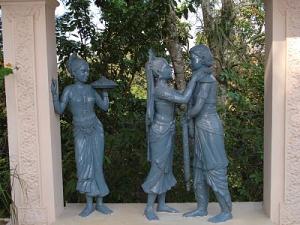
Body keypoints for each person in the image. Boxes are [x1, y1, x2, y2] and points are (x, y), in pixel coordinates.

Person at [51, 54, 113, 217]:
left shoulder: (92, 89)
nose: (86, 73)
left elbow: (105, 107)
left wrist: (105, 92)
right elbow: (59, 109)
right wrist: (53, 95)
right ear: (74, 73)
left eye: (87, 70)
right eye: (83, 71)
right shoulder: (69, 90)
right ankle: (89, 204)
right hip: (80, 130)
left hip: (95, 129)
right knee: (84, 166)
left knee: (97, 165)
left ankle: (100, 203)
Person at [142, 50, 200, 220]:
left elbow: (180, 99)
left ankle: (161, 204)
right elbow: (183, 99)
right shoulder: (160, 89)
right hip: (160, 131)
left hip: (168, 130)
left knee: (166, 166)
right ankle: (148, 207)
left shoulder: (166, 87)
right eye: (167, 67)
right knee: (158, 167)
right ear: (159, 73)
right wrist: (194, 79)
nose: (170, 69)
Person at [183, 44, 232, 223]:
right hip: (200, 126)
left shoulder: (207, 79)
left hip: (209, 127)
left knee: (214, 167)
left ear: (202, 59)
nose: (190, 62)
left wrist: (187, 115)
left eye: (192, 58)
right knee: (199, 169)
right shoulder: (198, 77)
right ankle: (201, 208)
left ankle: (226, 210)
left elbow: (197, 107)